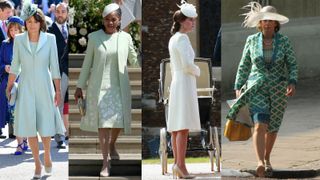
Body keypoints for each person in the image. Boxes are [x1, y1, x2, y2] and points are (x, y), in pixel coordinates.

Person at [226, 2, 298, 177]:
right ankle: (259, 162)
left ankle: (267, 159)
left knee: (272, 128)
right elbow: (244, 65)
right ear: (260, 23)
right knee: (260, 124)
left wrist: (292, 81)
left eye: (270, 21)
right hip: (256, 86)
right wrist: (238, 86)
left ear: (275, 24)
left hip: (278, 89)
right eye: (264, 20)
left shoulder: (285, 42)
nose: (267, 23)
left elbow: (292, 64)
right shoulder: (251, 40)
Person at [74, 3, 138, 177]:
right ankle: (105, 162)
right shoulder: (94, 37)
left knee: (117, 122)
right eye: (107, 19)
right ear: (103, 20)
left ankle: (111, 144)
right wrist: (79, 86)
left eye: (114, 19)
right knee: (103, 124)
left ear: (119, 21)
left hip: (119, 87)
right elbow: (87, 64)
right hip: (99, 87)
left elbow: (134, 61)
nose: (110, 22)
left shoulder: (126, 38)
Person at [6, 2, 65, 179]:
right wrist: (9, 86)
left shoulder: (50, 39)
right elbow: (15, 65)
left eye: (35, 21)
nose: (32, 24)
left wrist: (58, 90)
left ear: (41, 23)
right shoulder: (19, 40)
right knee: (30, 126)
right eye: (29, 21)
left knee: (46, 125)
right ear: (25, 23)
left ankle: (46, 153)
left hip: (45, 85)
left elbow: (54, 66)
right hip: (25, 86)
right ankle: (37, 164)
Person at [167, 1, 200, 179]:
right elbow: (188, 65)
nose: (193, 23)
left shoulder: (174, 39)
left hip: (178, 82)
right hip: (184, 82)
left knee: (177, 127)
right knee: (182, 127)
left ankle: (177, 165)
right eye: (190, 20)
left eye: (194, 21)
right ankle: (181, 165)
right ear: (182, 21)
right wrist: (198, 70)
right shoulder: (182, 38)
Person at [0, 16, 29, 155]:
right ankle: (20, 143)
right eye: (11, 29)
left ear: (21, 29)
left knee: (24, 113)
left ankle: (25, 140)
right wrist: (4, 67)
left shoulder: (27, 43)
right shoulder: (5, 44)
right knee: (14, 114)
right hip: (9, 84)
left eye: (16, 29)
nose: (14, 32)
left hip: (25, 82)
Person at [48, 2, 68, 149]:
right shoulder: (49, 31)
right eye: (58, 12)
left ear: (67, 13)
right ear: (55, 13)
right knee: (58, 104)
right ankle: (59, 136)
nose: (60, 14)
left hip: (71, 71)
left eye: (63, 12)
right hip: (58, 73)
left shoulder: (71, 29)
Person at [0, 0, 13, 138]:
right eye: (8, 12)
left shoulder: (5, 25)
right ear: (1, 10)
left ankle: (10, 129)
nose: (9, 14)